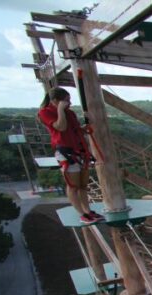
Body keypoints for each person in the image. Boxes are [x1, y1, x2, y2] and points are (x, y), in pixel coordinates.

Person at [38, 87, 104, 224]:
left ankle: (87, 210)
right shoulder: (45, 112)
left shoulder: (70, 113)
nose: (70, 103)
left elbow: (73, 130)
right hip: (65, 152)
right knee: (73, 185)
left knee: (83, 185)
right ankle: (81, 213)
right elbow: (60, 127)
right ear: (56, 101)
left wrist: (83, 129)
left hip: (79, 150)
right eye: (67, 101)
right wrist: (60, 110)